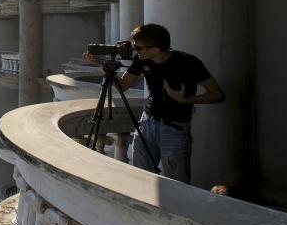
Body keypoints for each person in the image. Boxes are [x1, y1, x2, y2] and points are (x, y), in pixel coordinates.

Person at [83, 23, 224, 184]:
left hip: (175, 127)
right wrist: (102, 66)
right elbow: (123, 85)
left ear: (155, 50)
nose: (135, 50)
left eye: (138, 47)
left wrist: (186, 100)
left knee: (177, 182)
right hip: (147, 123)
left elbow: (217, 94)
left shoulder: (188, 62)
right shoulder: (142, 59)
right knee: (139, 177)